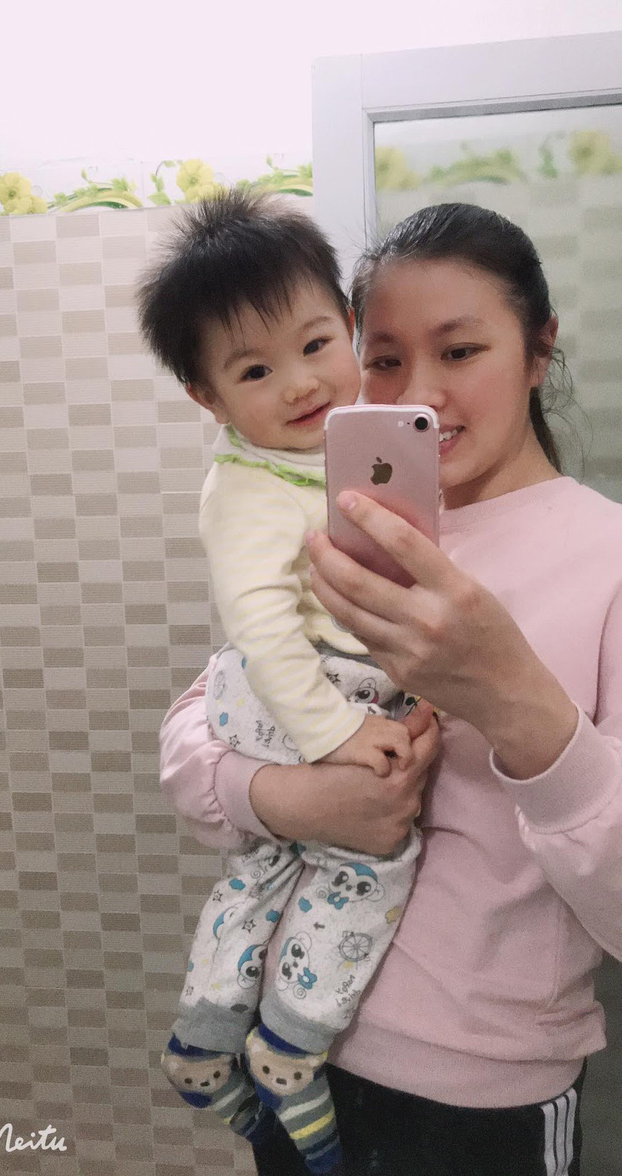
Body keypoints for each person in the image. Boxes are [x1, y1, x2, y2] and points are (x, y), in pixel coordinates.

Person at [158, 200, 622, 1176]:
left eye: (460, 351)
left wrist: (515, 700)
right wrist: (294, 797)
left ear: (539, 350)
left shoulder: (608, 560)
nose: (419, 393)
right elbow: (197, 738)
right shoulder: (344, 521)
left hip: (481, 1095)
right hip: (295, 1049)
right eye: (382, 358)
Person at [137, 190, 434, 1176]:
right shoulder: (250, 487)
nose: (300, 382)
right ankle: (293, 1046)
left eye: (314, 344)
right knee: (369, 862)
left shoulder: (338, 454)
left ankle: (204, 1036)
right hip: (292, 702)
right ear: (209, 399)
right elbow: (262, 626)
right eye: (255, 370)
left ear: (348, 327)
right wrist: (335, 738)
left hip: (282, 704)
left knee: (264, 870)